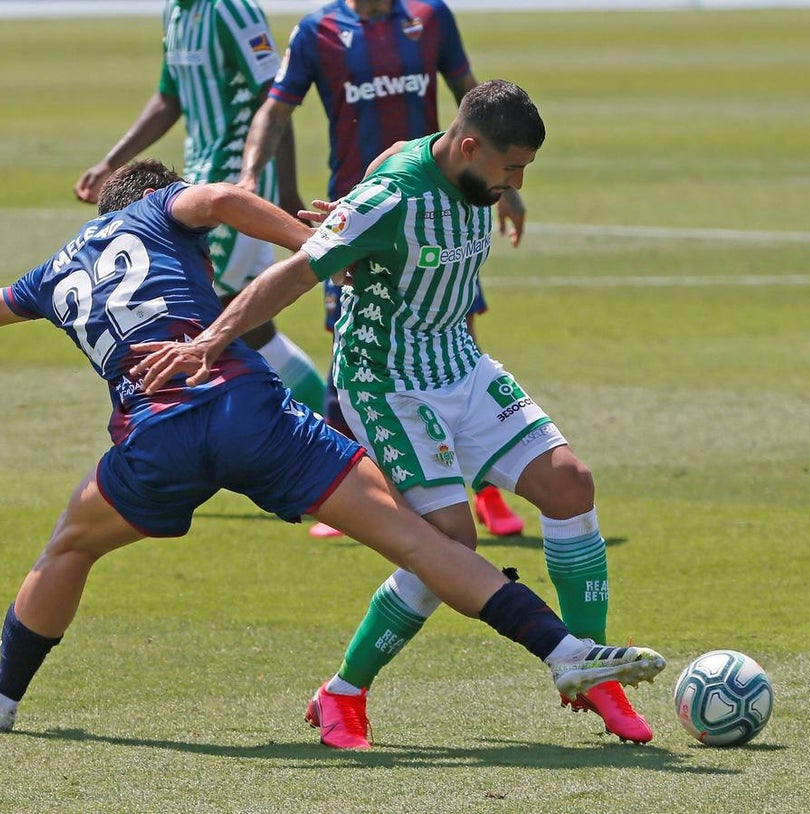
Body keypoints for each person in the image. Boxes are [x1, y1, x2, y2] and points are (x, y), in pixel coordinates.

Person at [0, 159, 666, 737]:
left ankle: (4, 697)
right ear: (152, 198)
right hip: (249, 408)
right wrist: (316, 244)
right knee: (415, 538)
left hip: (158, 436)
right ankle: (560, 651)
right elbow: (214, 200)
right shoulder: (159, 209)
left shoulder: (54, 269)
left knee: (68, 550)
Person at [132, 81, 656, 748]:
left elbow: (395, 171)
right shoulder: (397, 196)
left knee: (570, 483)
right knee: (449, 545)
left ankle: (595, 669)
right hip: (387, 384)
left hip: (459, 363)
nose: (517, 181)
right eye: (510, 168)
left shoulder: (460, 172)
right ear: (469, 147)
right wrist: (212, 339)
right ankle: (342, 693)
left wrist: (501, 191)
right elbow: (293, 273)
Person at [236, 0, 525, 539]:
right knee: (357, 342)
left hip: (445, 208)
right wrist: (255, 176)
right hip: (364, 209)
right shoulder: (317, 31)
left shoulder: (429, 16)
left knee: (459, 333)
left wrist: (501, 181)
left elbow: (472, 94)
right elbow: (276, 110)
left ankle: (485, 492)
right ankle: (353, 495)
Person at [73, 0, 327, 414]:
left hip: (234, 184)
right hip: (197, 183)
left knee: (202, 311)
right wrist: (112, 161)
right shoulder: (175, 12)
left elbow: (274, 100)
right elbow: (168, 97)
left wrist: (284, 192)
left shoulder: (233, 11)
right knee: (246, 321)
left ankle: (211, 430)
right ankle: (333, 425)